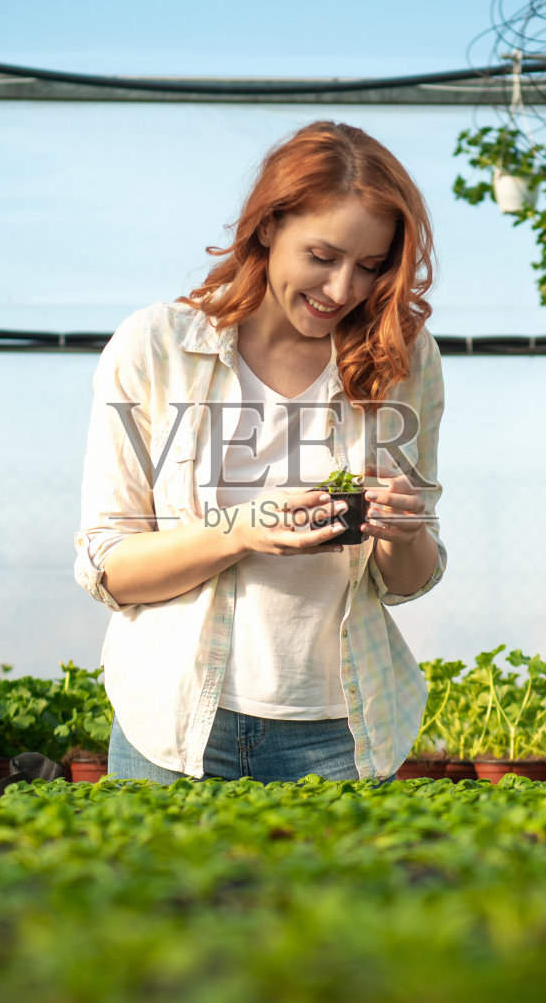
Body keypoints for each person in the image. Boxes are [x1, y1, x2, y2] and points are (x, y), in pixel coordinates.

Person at [73, 120, 447, 783]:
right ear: (269, 226)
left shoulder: (401, 358)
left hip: (341, 734)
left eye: (369, 267)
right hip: (177, 723)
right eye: (322, 257)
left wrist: (405, 529)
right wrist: (241, 530)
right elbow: (112, 568)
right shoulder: (158, 349)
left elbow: (408, 580)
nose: (342, 291)